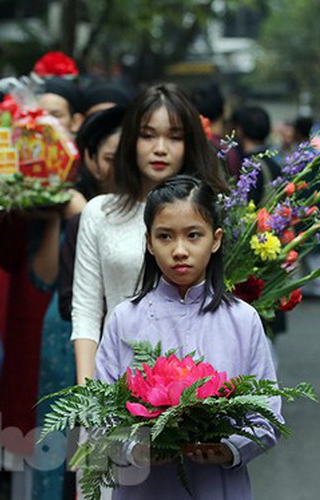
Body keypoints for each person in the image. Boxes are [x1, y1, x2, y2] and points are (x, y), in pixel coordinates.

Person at [96, 175, 281, 499]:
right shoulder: (124, 320)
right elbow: (101, 416)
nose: (179, 250)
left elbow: (267, 415)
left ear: (216, 239)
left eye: (193, 235)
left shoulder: (243, 320)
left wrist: (229, 448)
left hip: (217, 486)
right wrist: (137, 449)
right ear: (149, 242)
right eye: (165, 236)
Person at [72, 83, 227, 386]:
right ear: (131, 140)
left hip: (197, 386)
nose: (160, 148)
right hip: (116, 378)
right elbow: (87, 312)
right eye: (147, 135)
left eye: (174, 137)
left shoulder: (213, 214)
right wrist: (88, 393)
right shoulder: (100, 212)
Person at [34, 104, 126, 500]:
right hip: (74, 337)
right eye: (110, 158)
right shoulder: (80, 210)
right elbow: (51, 284)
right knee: (68, 442)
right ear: (89, 158)